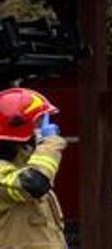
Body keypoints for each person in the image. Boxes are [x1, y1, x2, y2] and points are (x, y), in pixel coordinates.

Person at [0, 87, 66, 248]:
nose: (43, 130)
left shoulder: (26, 166)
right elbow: (34, 185)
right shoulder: (7, 174)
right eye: (39, 123)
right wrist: (50, 143)